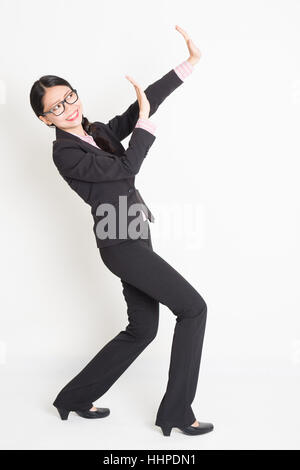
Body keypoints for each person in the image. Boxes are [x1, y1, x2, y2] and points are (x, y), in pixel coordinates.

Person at [30, 25, 214, 437]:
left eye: (69, 97)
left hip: (135, 235)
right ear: (45, 120)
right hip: (120, 245)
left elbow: (140, 108)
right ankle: (178, 413)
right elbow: (127, 167)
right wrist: (145, 128)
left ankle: (74, 398)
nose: (68, 108)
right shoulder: (66, 153)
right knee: (193, 308)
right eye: (56, 108)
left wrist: (188, 65)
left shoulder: (97, 132)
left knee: (143, 329)